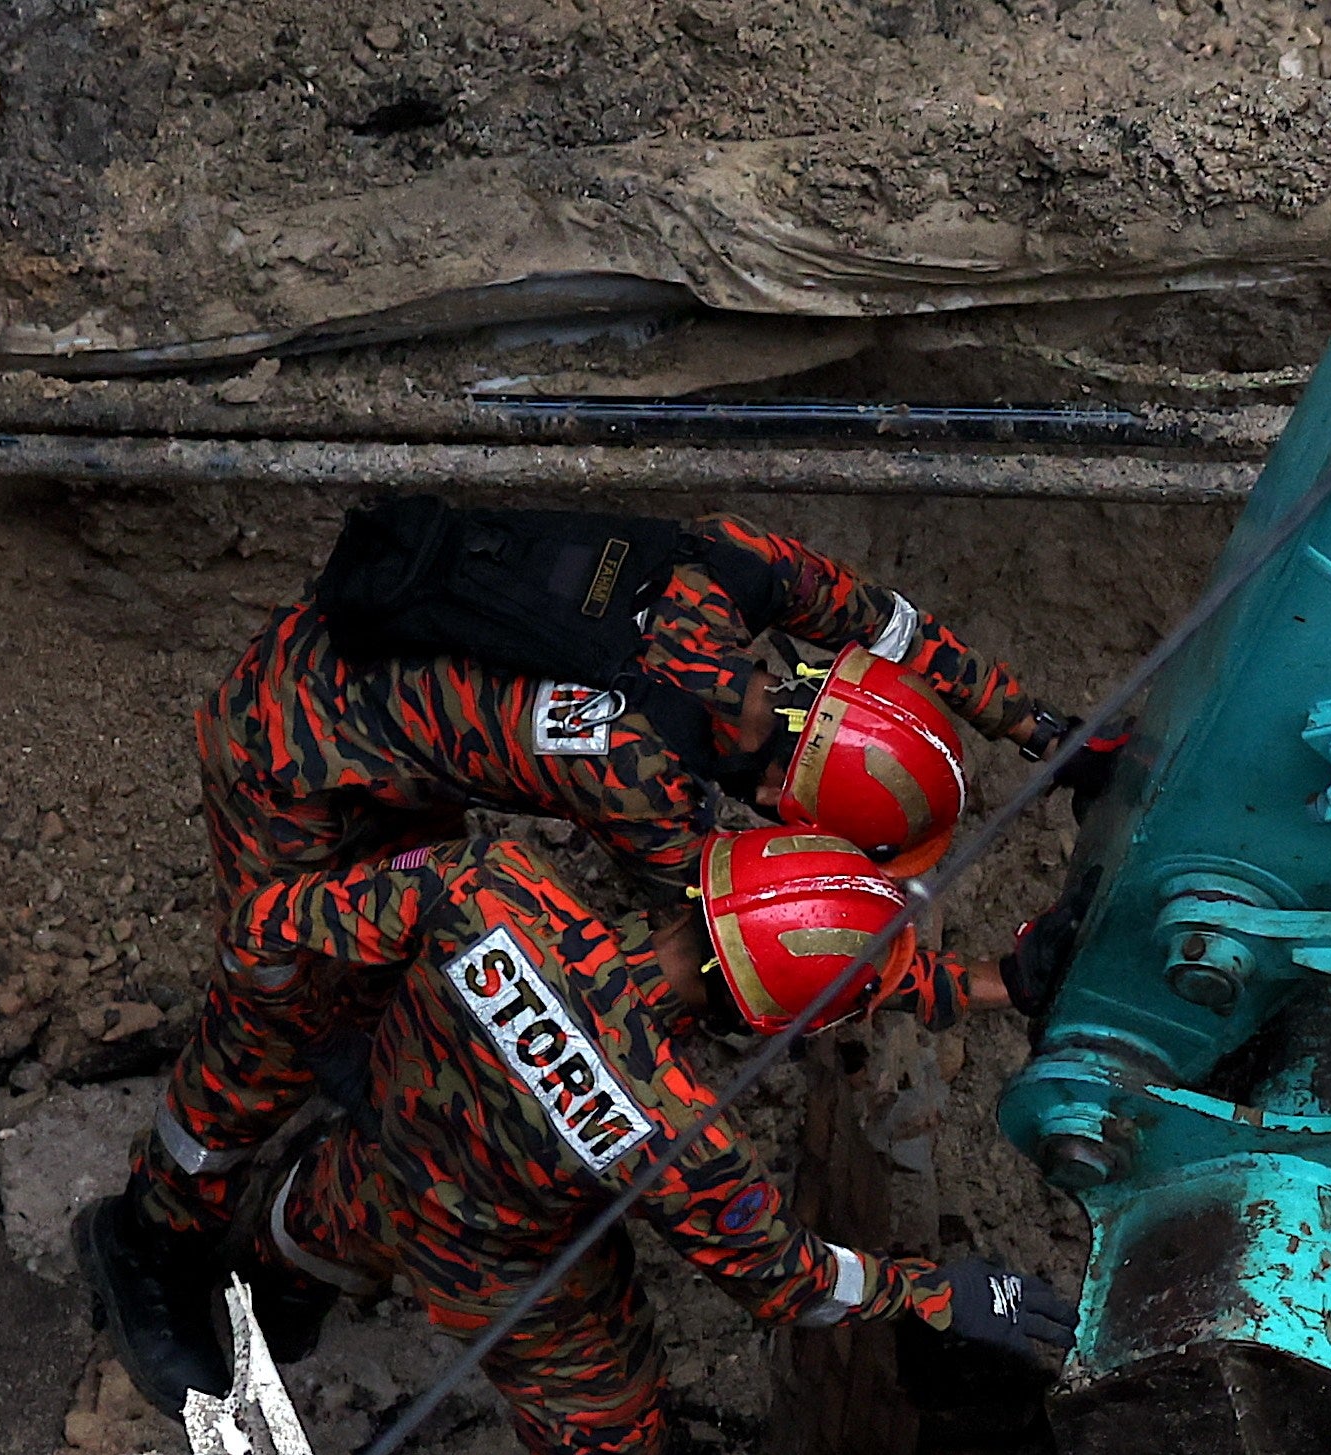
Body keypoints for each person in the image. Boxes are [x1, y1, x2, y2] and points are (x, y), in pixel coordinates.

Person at [80, 501, 1072, 1407]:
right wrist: (975, 986)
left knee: (396, 982)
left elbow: (888, 624)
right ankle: (151, 1234)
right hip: (290, 751)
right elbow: (772, 955)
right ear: (779, 812)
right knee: (272, 1007)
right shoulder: (651, 789)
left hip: (373, 698)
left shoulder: (730, 568)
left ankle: (345, 1146)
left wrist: (1039, 728)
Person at [220, 823, 1072, 1455]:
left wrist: (320, 1041)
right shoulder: (678, 1137)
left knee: (323, 1208)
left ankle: (266, 1285)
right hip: (504, 1271)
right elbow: (789, 1283)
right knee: (608, 1433)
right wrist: (933, 1293)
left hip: (383, 1150)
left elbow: (270, 924)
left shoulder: (487, 880)